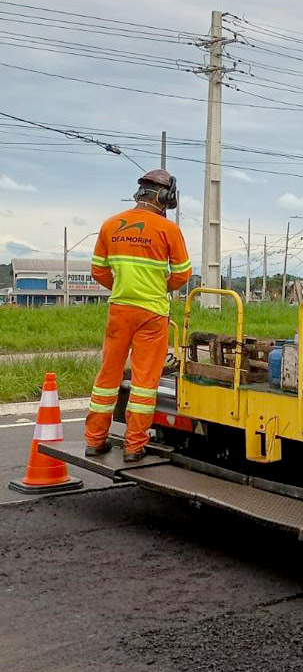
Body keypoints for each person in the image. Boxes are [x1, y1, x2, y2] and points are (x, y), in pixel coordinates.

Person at [84, 170, 191, 462]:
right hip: (152, 314)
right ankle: (134, 447)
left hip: (119, 310)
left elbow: (98, 270)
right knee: (144, 382)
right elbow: (183, 274)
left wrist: (121, 286)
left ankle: (94, 440)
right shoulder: (168, 231)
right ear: (166, 197)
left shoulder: (110, 225)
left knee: (107, 376)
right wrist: (160, 287)